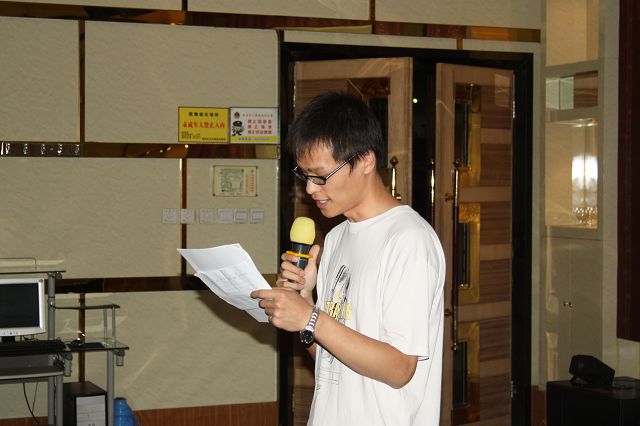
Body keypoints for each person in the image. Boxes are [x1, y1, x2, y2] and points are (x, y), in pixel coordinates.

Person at [251, 92, 445, 425]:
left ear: (366, 160)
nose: (310, 189)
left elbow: (400, 369)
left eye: (320, 176)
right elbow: (330, 361)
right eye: (304, 176)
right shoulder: (337, 237)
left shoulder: (409, 240)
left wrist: (311, 317)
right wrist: (304, 302)